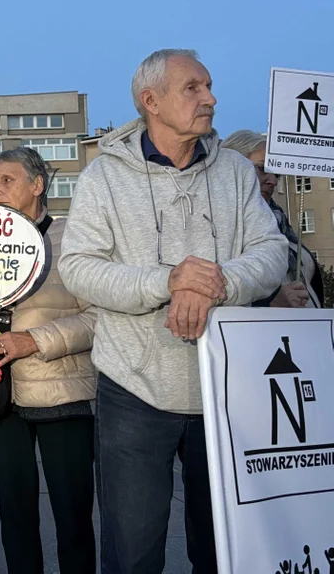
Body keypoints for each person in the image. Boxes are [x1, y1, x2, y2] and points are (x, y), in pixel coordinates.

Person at [59, 49, 289, 574]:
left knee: (226, 549)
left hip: (225, 386)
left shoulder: (234, 171)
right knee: (134, 551)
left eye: (209, 86)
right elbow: (78, 267)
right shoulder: (104, 178)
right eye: (193, 88)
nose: (210, 98)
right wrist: (167, 281)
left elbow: (272, 252)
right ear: (151, 102)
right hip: (135, 389)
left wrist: (214, 282)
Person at [0, 147, 97, 574]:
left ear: (37, 185)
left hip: (62, 393)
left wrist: (35, 340)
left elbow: (99, 318)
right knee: (15, 515)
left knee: (73, 517)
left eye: (7, 180)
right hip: (0, 396)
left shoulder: (75, 239)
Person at [221, 129, 324, 308]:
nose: (273, 181)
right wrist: (269, 303)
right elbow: (213, 290)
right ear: (232, 166)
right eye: (262, 169)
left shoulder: (279, 222)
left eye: (276, 174)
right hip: (258, 332)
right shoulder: (218, 224)